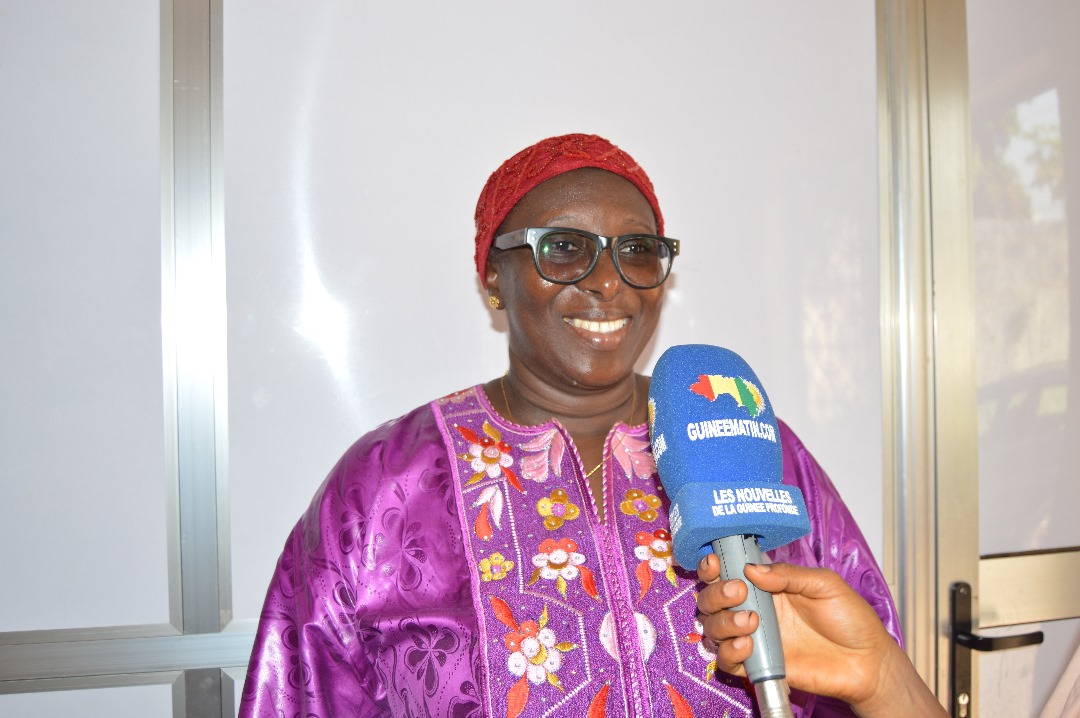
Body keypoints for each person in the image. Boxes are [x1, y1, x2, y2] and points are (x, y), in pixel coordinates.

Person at [238, 133, 925, 717]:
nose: (609, 282)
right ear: (492, 278)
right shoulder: (386, 483)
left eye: (638, 250)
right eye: (564, 247)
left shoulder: (741, 439)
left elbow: (871, 669)